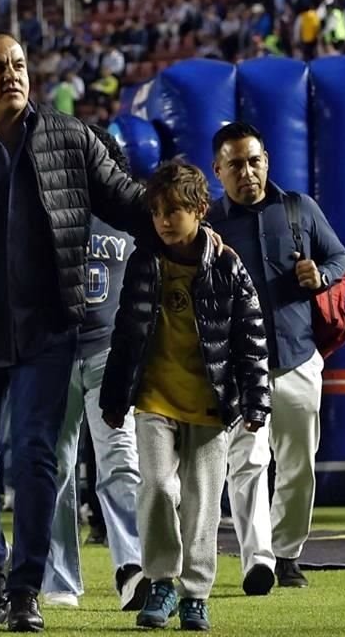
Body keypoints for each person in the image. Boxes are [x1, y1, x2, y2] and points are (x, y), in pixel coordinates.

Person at [0, 31, 198, 633]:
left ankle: (27, 587)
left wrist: (179, 217)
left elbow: (127, 199)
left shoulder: (69, 138)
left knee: (36, 459)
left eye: (20, 65)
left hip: (47, 332)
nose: (12, 74)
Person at [100, 159, 270, 632]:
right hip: (154, 400)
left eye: (174, 210)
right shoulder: (144, 262)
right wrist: (115, 397)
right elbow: (127, 332)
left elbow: (250, 338)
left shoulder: (229, 267)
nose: (163, 220)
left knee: (201, 502)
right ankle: (160, 581)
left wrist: (256, 401)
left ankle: (195, 593)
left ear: (200, 210)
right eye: (156, 211)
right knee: (155, 486)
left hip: (212, 405)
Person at [208, 122, 345, 591]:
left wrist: (321, 276)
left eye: (254, 161)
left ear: (266, 161)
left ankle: (287, 553)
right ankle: (259, 562)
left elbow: (339, 258)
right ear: (218, 170)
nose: (247, 172)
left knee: (298, 463)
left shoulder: (299, 209)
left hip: (298, 359)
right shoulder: (208, 225)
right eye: (236, 165)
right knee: (246, 464)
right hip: (240, 368)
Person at [41, 125, 146, 612]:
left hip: (111, 354)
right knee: (55, 467)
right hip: (56, 352)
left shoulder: (134, 216)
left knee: (121, 461)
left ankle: (132, 567)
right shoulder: (47, 211)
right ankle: (60, 577)